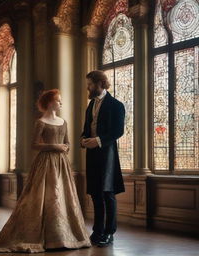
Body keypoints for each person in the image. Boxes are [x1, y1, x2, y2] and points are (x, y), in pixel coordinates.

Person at [0, 89, 91, 253]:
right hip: (45, 162)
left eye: (61, 100)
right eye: (58, 100)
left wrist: (65, 148)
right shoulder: (41, 122)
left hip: (61, 163)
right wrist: (54, 146)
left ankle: (62, 236)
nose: (61, 103)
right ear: (49, 103)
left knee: (63, 197)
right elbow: (34, 144)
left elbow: (67, 142)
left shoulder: (63, 122)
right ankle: (48, 237)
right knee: (46, 197)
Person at [81, 70, 125, 247]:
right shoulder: (90, 105)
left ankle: (109, 232)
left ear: (100, 83)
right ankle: (97, 230)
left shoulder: (116, 105)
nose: (88, 87)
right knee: (95, 194)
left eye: (90, 84)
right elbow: (86, 129)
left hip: (108, 155)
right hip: (92, 155)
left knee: (108, 193)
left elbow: (118, 131)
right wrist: (83, 140)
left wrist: (98, 141)